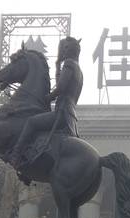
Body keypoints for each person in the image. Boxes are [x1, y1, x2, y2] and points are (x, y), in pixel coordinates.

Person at [10, 36, 83, 171]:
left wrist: (48, 97)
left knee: (32, 122)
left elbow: (60, 87)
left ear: (70, 49)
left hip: (62, 112)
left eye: (65, 48)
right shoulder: (78, 70)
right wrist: (57, 65)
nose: (63, 50)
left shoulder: (69, 64)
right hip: (70, 116)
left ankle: (16, 155)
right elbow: (62, 83)